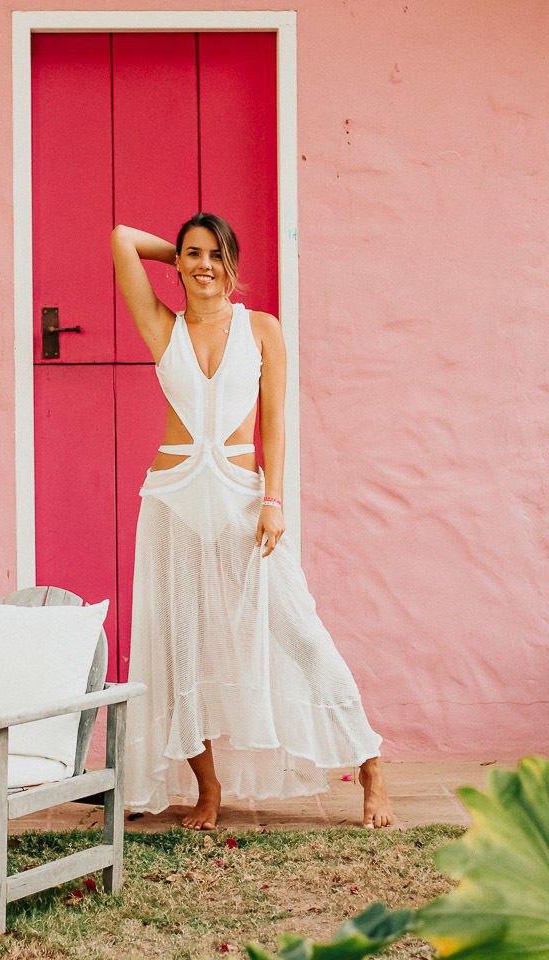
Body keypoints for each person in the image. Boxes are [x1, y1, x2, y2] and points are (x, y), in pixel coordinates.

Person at [110, 213, 393, 831]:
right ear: (178, 262)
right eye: (193, 254)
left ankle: (369, 762)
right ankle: (207, 790)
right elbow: (122, 239)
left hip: (243, 502)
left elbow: (273, 422)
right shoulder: (163, 328)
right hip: (173, 507)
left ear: (232, 263)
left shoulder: (262, 329)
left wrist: (274, 499)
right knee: (180, 652)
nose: (204, 265)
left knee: (300, 632)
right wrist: (175, 254)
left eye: (217, 254)